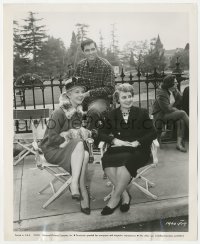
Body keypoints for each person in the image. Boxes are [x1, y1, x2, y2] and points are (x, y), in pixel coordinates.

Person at [98, 83, 157, 215]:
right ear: (118, 99)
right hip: (119, 148)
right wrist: (114, 140)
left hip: (138, 149)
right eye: (124, 97)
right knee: (106, 160)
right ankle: (125, 195)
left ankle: (114, 198)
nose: (128, 99)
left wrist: (138, 142)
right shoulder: (112, 114)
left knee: (124, 163)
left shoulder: (141, 113)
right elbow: (100, 133)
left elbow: (153, 133)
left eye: (130, 96)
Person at [40, 77, 91, 215]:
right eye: (77, 92)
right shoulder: (59, 112)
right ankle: (78, 186)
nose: (81, 95)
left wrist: (82, 133)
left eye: (82, 92)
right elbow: (51, 138)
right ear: (68, 94)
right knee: (80, 145)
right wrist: (69, 135)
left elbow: (76, 134)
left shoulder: (78, 112)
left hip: (71, 149)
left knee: (85, 154)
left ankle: (78, 187)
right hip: (53, 149)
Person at [74, 38, 115, 132]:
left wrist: (89, 93)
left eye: (93, 49)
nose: (90, 52)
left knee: (93, 112)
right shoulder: (80, 65)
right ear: (83, 52)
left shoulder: (106, 66)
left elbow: (110, 88)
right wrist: (77, 102)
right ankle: (70, 139)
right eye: (87, 50)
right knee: (65, 109)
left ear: (96, 49)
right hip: (82, 100)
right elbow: (75, 85)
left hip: (101, 100)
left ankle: (88, 141)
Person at [152, 75, 189, 152]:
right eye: (175, 82)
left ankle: (179, 144)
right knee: (182, 113)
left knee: (181, 121)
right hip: (160, 115)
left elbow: (181, 99)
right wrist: (176, 109)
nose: (177, 84)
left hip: (170, 113)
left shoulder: (174, 90)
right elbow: (166, 109)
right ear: (170, 84)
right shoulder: (161, 93)